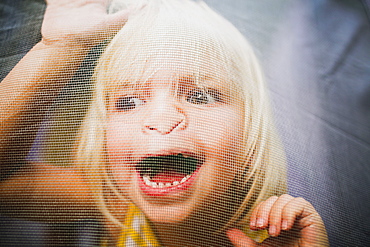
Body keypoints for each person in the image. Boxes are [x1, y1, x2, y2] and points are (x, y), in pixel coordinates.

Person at [0, 0, 329, 246]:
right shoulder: (117, 201)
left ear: (251, 128)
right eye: (128, 102)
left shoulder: (272, 234)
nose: (160, 120)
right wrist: (60, 47)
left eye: (199, 96)